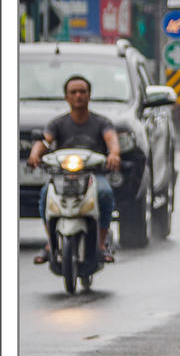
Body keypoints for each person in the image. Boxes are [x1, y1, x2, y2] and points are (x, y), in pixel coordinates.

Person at [26, 74, 120, 263]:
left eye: (82, 91)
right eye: (73, 92)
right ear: (66, 97)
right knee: (46, 194)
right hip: (63, 177)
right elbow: (44, 140)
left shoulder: (101, 122)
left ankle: (101, 244)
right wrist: (35, 154)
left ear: (89, 95)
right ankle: (50, 243)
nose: (78, 95)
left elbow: (112, 139)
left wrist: (114, 154)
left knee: (105, 193)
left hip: (93, 175)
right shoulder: (58, 123)